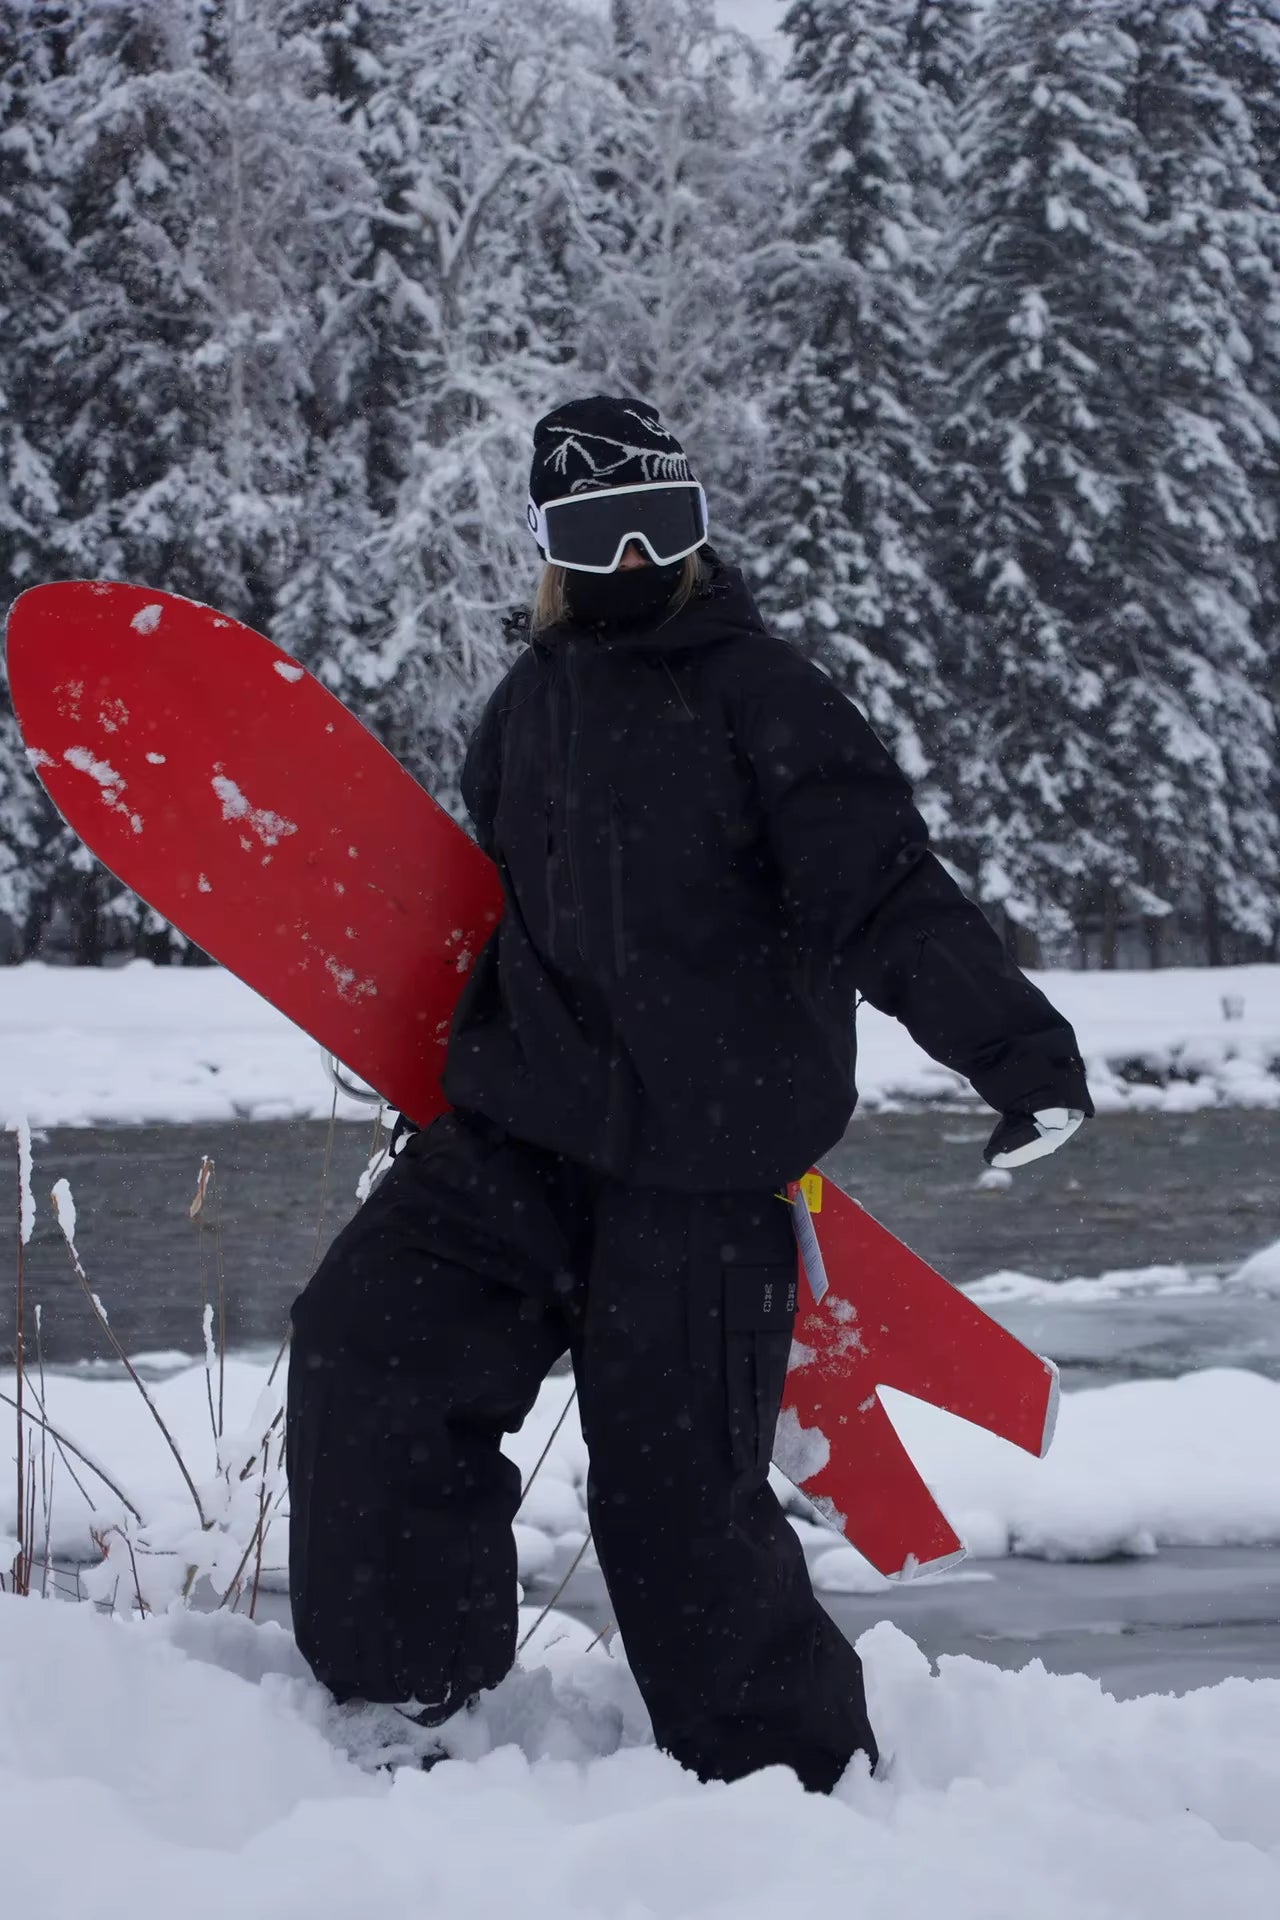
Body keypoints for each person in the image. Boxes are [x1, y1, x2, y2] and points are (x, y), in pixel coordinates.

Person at [287, 395, 1093, 1792]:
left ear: (700, 531)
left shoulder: (765, 695)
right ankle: (410, 1695)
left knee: (674, 1494)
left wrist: (1020, 1057)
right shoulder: (526, 705)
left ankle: (785, 1787)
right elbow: (510, 916)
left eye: (663, 524)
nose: (635, 559)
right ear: (551, 545)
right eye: (602, 532)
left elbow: (885, 892)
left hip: (704, 1170)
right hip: (518, 1137)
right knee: (367, 1343)